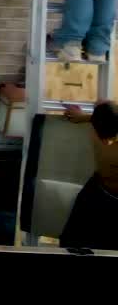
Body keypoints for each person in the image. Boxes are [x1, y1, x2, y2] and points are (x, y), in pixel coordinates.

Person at [60, 101, 118, 249]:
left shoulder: (101, 134)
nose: (107, 142)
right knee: (71, 242)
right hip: (97, 192)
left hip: (110, 201)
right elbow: (101, 114)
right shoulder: (96, 128)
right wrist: (83, 117)